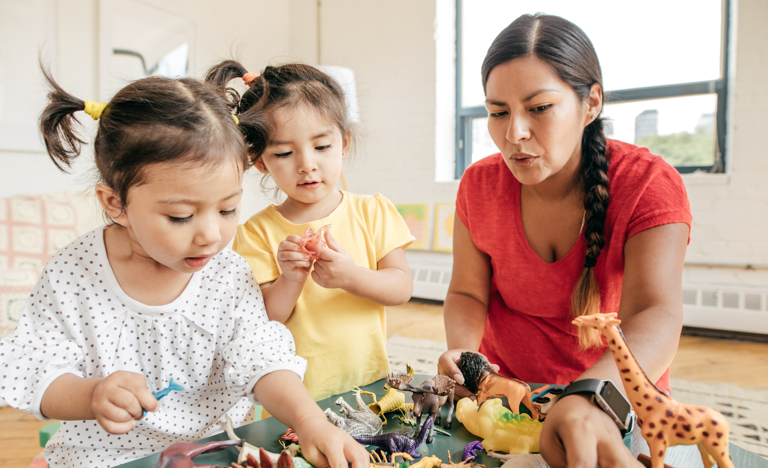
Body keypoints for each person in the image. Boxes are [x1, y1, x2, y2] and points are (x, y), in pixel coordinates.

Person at [0, 70, 367, 468]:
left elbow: (263, 360)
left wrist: (310, 421)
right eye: (180, 216)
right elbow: (37, 369)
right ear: (115, 203)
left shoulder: (227, 273)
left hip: (212, 449)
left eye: (228, 209)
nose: (211, 235)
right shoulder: (72, 274)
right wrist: (90, 395)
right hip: (102, 455)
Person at [437, 14, 692, 468]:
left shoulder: (649, 183)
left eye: (538, 108)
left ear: (590, 103)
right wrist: (464, 350)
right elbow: (466, 291)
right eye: (498, 112)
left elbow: (657, 311)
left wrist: (591, 395)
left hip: (614, 393)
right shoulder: (478, 185)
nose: (513, 133)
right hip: (507, 392)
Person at [205, 61, 415, 402]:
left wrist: (351, 276)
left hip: (370, 385)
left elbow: (401, 288)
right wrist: (290, 279)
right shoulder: (257, 232)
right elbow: (266, 318)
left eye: (321, 146)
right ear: (260, 162)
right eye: (285, 153)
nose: (307, 164)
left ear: (343, 143)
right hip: (296, 397)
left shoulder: (372, 211)